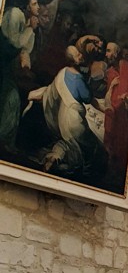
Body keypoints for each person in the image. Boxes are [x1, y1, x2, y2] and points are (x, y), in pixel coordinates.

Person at [26, 45, 107, 180]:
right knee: (90, 146)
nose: (81, 55)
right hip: (74, 119)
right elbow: (87, 97)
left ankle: (53, 158)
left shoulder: (62, 72)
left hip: (62, 117)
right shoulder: (77, 79)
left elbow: (51, 90)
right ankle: (86, 173)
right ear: (73, 60)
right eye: (77, 55)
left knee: (67, 143)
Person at [0, 0, 40, 148]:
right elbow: (14, 42)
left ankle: (5, 143)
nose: (38, 7)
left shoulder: (26, 20)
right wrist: (30, 28)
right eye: (35, 4)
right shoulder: (15, 14)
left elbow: (26, 49)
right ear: (27, 6)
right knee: (11, 99)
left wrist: (31, 28)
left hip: (9, 66)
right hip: (3, 62)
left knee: (13, 100)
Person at [104, 41, 128, 179]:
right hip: (114, 111)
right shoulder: (110, 72)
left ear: (116, 53)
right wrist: (112, 86)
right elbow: (109, 97)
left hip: (125, 111)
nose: (106, 55)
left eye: (108, 51)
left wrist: (126, 96)